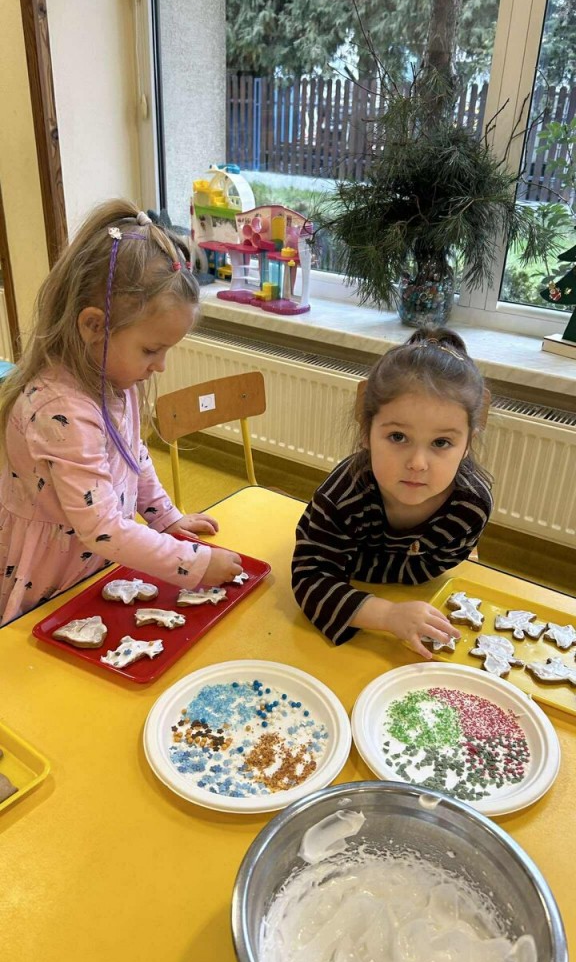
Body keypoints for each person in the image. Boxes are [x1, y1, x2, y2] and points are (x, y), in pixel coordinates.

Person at [0, 200, 242, 626]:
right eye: (151, 350)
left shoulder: (114, 378)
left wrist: (165, 517)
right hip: (49, 576)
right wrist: (194, 564)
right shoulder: (61, 412)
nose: (160, 366)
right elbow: (105, 528)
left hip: (94, 560)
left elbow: (134, 457)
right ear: (94, 327)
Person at [291, 328, 493, 657]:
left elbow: (430, 571)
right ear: (366, 433)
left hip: (400, 595)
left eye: (441, 442)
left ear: (467, 445)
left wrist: (386, 596)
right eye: (398, 437)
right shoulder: (341, 498)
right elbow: (310, 580)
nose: (417, 463)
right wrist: (387, 615)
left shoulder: (471, 506)